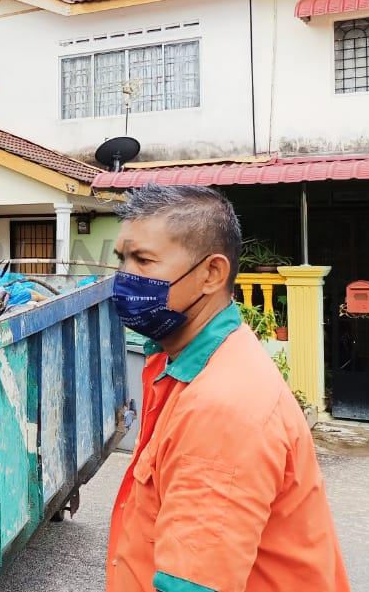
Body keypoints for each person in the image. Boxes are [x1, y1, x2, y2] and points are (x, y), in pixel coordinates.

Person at [106, 185, 347, 592]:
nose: (125, 278)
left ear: (212, 273)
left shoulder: (222, 407)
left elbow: (193, 584)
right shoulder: (182, 361)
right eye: (122, 260)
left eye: (144, 260)